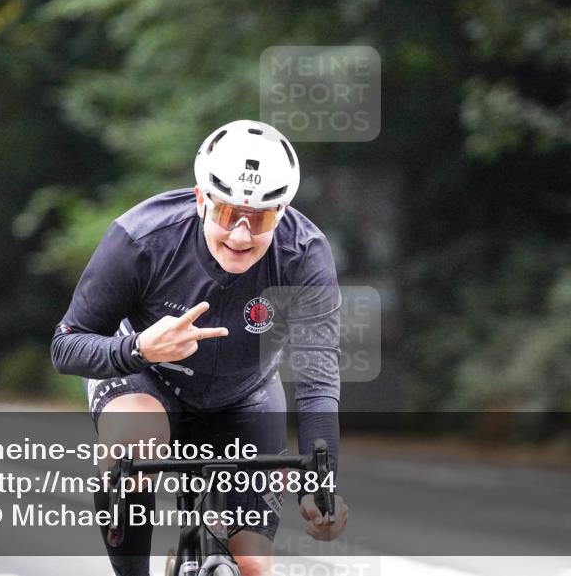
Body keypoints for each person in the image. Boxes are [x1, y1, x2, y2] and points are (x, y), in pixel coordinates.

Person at [51, 120, 348, 576]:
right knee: (137, 436)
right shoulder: (141, 239)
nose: (242, 236)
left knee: (251, 564)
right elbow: (65, 347)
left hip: (244, 393)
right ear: (200, 199)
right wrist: (137, 349)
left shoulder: (304, 254)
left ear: (283, 211)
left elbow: (317, 379)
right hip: (145, 380)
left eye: (262, 218)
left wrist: (319, 486)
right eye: (229, 214)